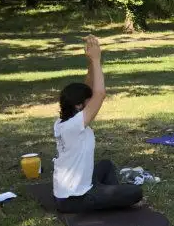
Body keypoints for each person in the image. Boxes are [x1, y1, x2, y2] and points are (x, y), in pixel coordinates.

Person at [52, 35, 142, 213]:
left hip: (68, 192)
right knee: (135, 192)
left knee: (106, 165)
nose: (91, 101)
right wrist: (96, 59)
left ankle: (111, 198)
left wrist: (90, 63)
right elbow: (99, 94)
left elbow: (90, 89)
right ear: (79, 105)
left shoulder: (65, 120)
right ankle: (110, 199)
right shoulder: (73, 126)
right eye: (88, 100)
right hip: (75, 198)